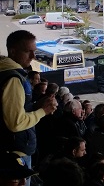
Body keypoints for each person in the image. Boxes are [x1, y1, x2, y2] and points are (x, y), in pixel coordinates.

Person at [0, 30, 58, 180]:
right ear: (13, 51)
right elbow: (15, 123)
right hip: (15, 154)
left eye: (34, 51)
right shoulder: (13, 79)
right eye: (28, 51)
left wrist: (37, 105)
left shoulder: (8, 72)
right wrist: (43, 111)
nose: (33, 56)